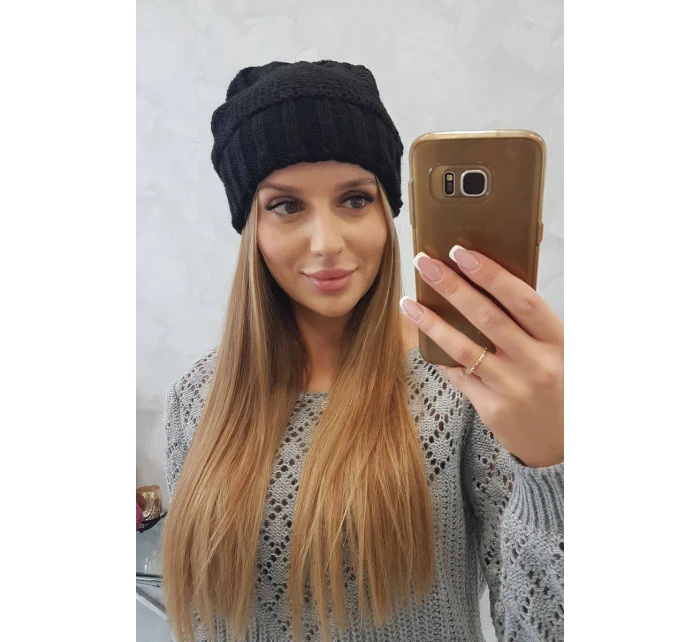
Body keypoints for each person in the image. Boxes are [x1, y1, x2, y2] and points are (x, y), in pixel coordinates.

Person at [161, 61, 564, 642]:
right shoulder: (196, 397)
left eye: (354, 200)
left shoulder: (465, 385)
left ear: (388, 212)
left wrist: (552, 466)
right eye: (286, 206)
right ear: (251, 228)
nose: (327, 243)